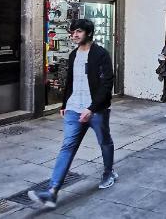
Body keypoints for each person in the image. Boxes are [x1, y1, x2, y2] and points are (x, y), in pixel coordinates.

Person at [28, 19, 116, 208]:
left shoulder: (101, 54)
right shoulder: (73, 55)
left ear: (88, 33)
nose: (74, 35)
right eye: (72, 32)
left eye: (78, 32)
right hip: (74, 108)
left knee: (104, 142)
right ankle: (52, 192)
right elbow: (71, 81)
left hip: (96, 110)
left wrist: (91, 109)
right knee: (67, 147)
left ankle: (108, 172)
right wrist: (64, 103)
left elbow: (107, 84)